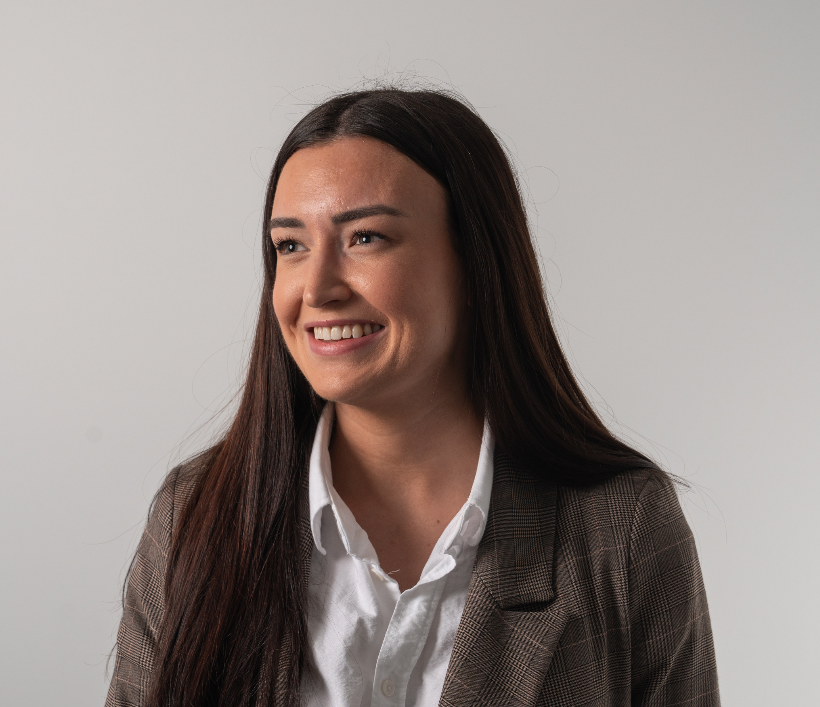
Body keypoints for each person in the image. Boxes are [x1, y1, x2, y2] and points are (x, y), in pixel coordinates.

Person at [106, 89, 719, 707]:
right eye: (290, 246)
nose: (315, 289)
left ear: (478, 262)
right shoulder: (195, 516)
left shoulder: (620, 528)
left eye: (366, 238)